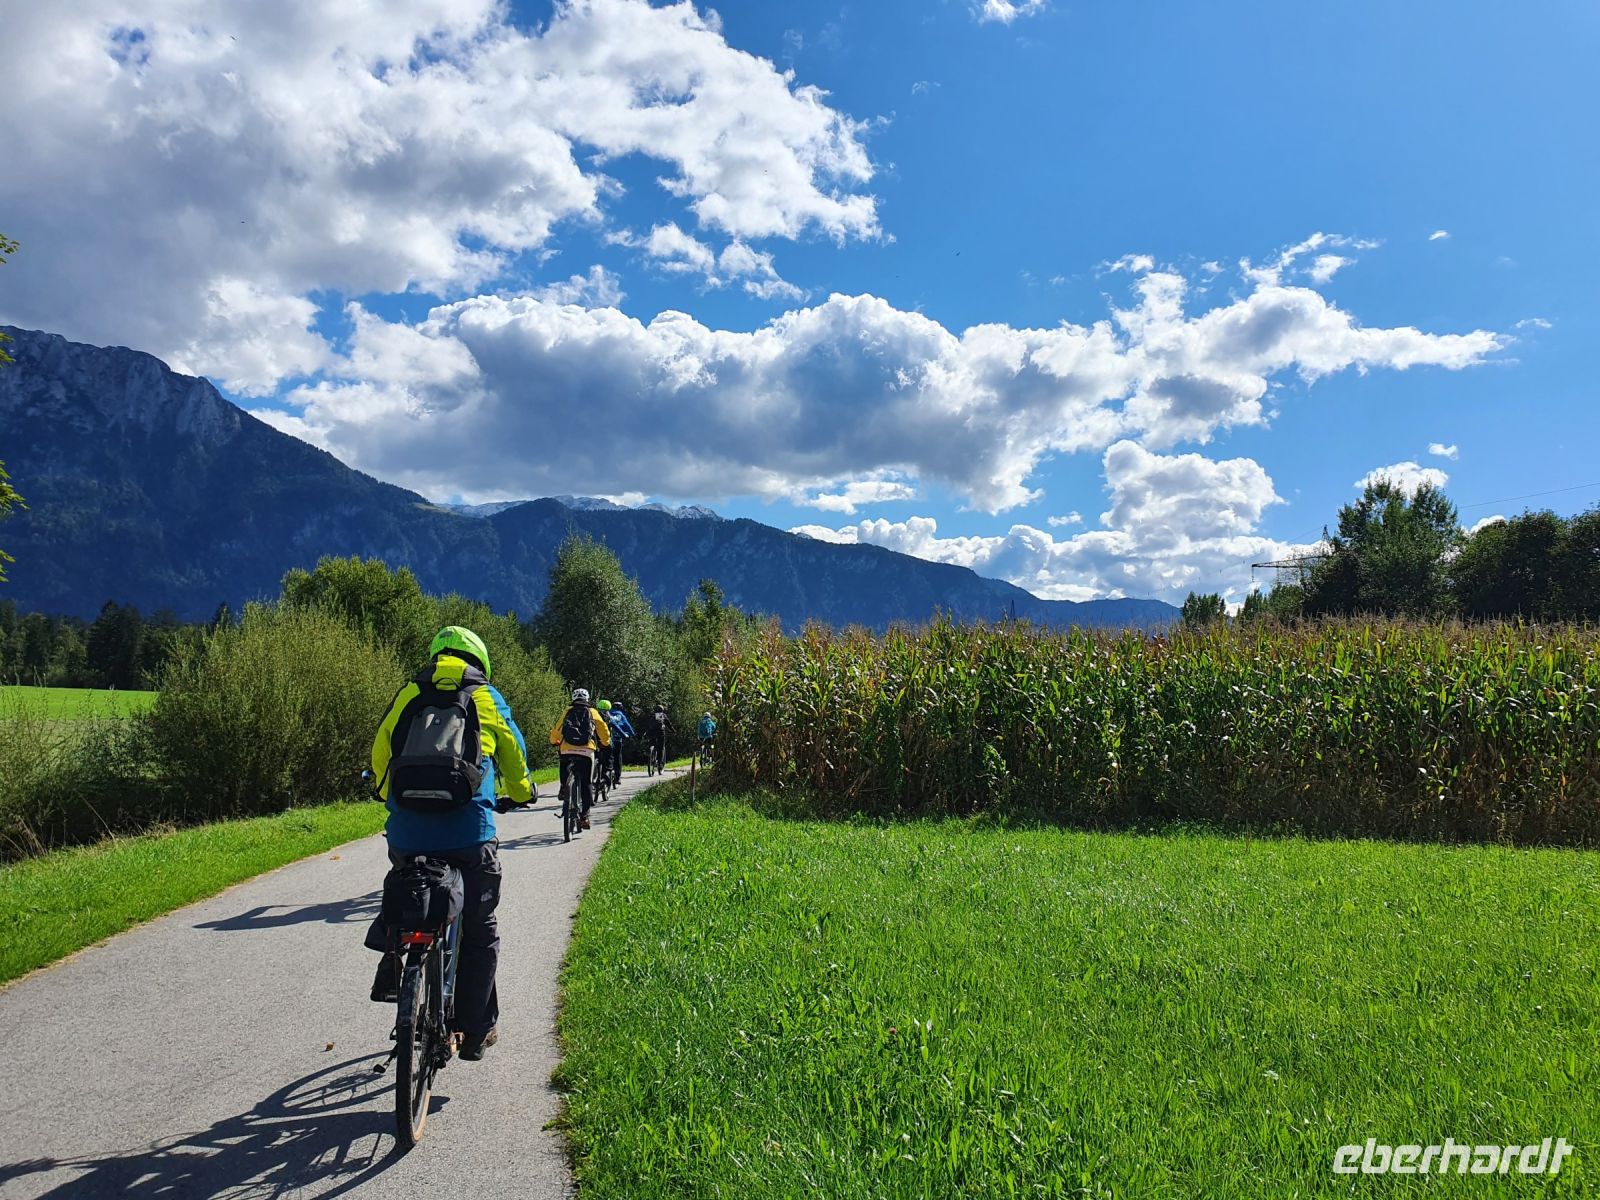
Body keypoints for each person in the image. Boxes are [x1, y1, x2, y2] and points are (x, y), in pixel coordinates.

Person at [368, 626, 532, 1061]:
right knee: (480, 929)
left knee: (408, 898)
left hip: (408, 833)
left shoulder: (409, 693)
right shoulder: (485, 697)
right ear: (479, 661)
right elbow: (514, 754)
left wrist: (385, 790)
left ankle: (397, 957)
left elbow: (380, 753)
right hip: (469, 835)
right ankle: (476, 1031)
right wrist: (521, 791)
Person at [550, 688, 611, 829]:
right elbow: (603, 729)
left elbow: (558, 728)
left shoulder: (567, 710)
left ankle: (564, 787)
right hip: (586, 750)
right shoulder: (593, 712)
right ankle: (584, 816)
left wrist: (553, 741)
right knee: (586, 783)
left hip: (567, 749)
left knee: (563, 760)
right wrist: (606, 743)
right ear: (588, 699)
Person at [599, 699, 634, 785]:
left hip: (602, 740)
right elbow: (627, 725)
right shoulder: (620, 715)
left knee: (604, 756)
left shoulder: (603, 714)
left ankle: (601, 774)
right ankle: (617, 778)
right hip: (617, 739)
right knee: (617, 757)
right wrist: (632, 734)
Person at [647, 702, 669, 771]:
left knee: (653, 744)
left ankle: (652, 754)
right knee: (661, 748)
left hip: (652, 733)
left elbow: (649, 725)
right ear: (662, 710)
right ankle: (660, 764)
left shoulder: (653, 716)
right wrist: (673, 730)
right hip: (661, 733)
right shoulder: (663, 715)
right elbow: (668, 723)